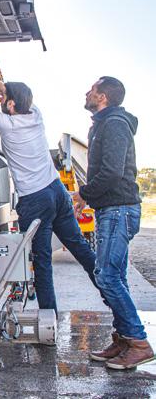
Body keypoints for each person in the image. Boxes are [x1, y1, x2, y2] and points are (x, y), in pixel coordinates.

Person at [0, 61, 98, 316]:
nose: (0, 98)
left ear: (10, 105)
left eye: (3, 99)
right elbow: (2, 87)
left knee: (42, 262)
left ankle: (49, 320)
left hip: (35, 200)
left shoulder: (7, 124)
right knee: (81, 249)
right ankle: (116, 299)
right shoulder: (35, 114)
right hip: (57, 191)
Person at [73, 76, 155, 370]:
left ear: (103, 96)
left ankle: (139, 342)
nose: (87, 92)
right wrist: (89, 198)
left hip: (119, 210)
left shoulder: (115, 124)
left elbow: (112, 172)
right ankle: (123, 339)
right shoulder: (104, 124)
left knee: (107, 276)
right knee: (115, 276)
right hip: (111, 209)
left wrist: (84, 193)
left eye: (92, 89)